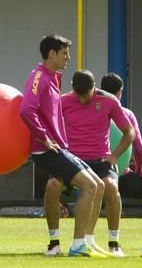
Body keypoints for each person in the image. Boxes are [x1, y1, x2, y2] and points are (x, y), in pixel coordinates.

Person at [19, 35, 105, 258]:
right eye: (64, 53)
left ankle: (81, 242)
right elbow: (26, 109)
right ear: (52, 54)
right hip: (46, 149)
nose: (68, 58)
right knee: (89, 187)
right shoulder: (39, 76)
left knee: (97, 184)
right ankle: (77, 246)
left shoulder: (52, 77)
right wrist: (44, 138)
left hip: (59, 147)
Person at [44, 69, 135, 257]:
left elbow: (129, 132)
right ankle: (54, 243)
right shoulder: (62, 101)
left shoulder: (109, 101)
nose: (83, 99)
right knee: (52, 186)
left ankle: (111, 242)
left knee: (110, 187)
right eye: (79, 94)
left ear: (94, 87)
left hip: (100, 160)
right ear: (72, 89)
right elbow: (47, 125)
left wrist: (114, 157)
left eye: (86, 94)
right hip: (72, 160)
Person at [100, 72, 142, 254]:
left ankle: (77, 241)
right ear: (120, 92)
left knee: (89, 195)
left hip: (91, 172)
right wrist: (140, 170)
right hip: (117, 174)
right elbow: (139, 147)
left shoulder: (91, 110)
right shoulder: (126, 114)